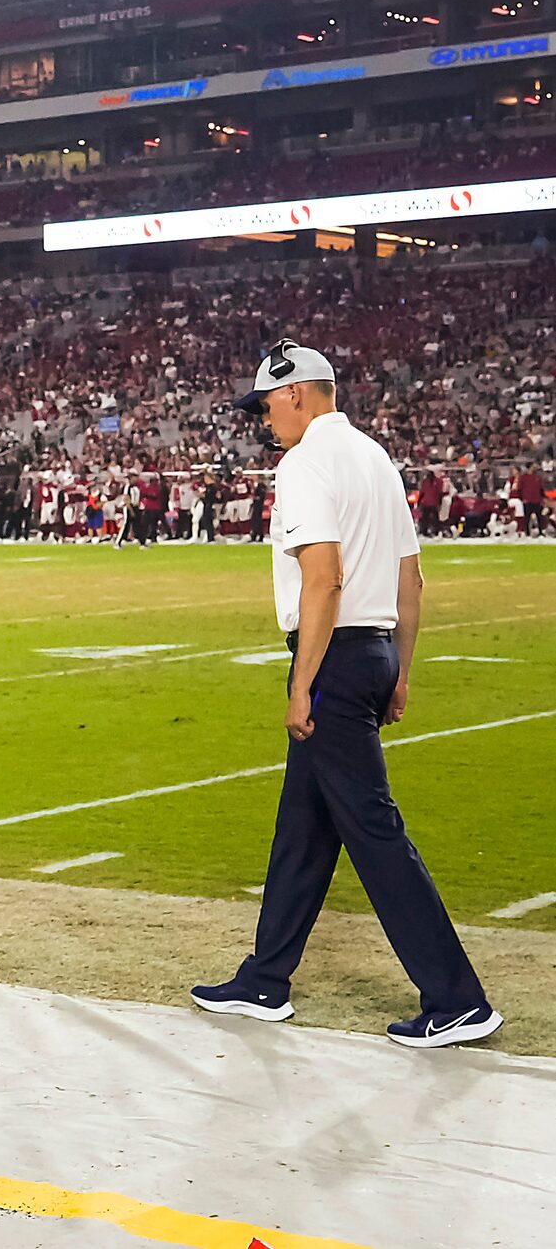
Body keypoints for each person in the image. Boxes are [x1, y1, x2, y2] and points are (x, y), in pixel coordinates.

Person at [193, 342, 498, 1048]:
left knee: (373, 831)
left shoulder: (304, 464)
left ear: (295, 393)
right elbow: (410, 582)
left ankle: (456, 998)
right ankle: (264, 978)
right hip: (373, 651)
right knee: (302, 829)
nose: (263, 418)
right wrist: (400, 670)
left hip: (331, 658)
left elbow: (322, 578)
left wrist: (301, 682)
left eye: (266, 403)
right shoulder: (374, 457)